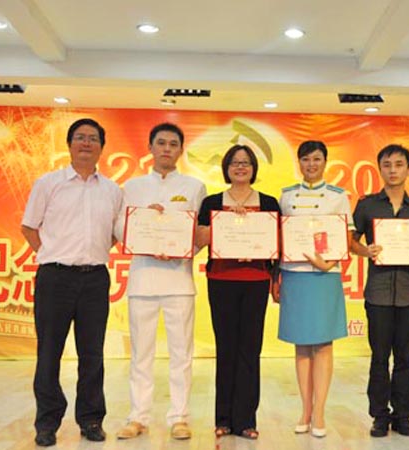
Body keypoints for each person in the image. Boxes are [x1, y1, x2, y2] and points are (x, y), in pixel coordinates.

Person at [21, 118, 123, 447]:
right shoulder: (48, 183)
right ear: (69, 144)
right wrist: (50, 254)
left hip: (95, 279)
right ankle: (47, 422)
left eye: (93, 138)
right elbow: (29, 227)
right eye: (80, 137)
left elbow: (115, 233)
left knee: (92, 354)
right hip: (55, 278)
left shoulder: (112, 190)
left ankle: (91, 419)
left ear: (101, 148)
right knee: (49, 352)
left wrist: (94, 252)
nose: (86, 143)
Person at [114, 123, 206, 441]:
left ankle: (179, 417)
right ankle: (138, 416)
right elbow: (119, 228)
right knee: (141, 353)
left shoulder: (194, 187)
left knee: (181, 354)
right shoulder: (132, 187)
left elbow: (200, 232)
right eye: (161, 143)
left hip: (179, 280)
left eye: (173, 144)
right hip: (142, 279)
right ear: (150, 147)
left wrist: (181, 249)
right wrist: (144, 223)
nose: (167, 148)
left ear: (181, 150)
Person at [196, 144, 281, 440]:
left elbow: (277, 242)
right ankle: (223, 419)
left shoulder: (269, 203)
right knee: (226, 348)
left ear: (254, 168)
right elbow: (199, 238)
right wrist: (228, 222)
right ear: (226, 168)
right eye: (235, 162)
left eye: (246, 163)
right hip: (221, 280)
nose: (240, 167)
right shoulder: (212, 202)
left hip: (256, 280)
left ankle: (246, 420)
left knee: (250, 349)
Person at [350, 144, 409, 438]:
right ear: (379, 169)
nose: (393, 170)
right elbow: (350, 240)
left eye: (398, 164)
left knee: (405, 357)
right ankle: (379, 416)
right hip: (379, 292)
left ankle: (403, 416)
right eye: (387, 165)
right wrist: (365, 251)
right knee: (380, 356)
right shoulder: (367, 205)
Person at [276, 140, 353, 438]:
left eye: (317, 159)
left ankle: (319, 411)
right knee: (301, 344)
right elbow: (279, 237)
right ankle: (305, 410)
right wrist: (275, 277)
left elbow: (345, 238)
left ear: (325, 162)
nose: (311, 164)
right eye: (306, 159)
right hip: (294, 274)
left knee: (323, 345)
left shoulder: (338, 196)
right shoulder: (286, 195)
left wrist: (327, 263)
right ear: (299, 163)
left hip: (325, 276)